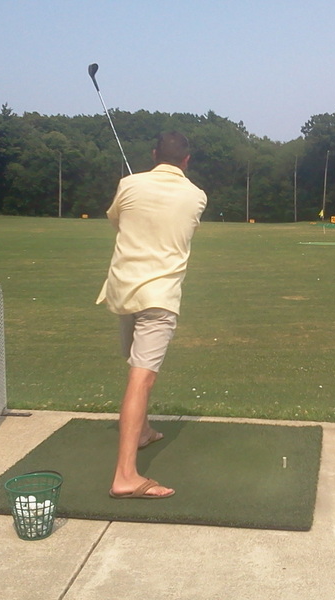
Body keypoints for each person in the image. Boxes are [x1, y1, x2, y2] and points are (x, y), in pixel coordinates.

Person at [97, 132, 207, 499]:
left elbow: (117, 221)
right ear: (186, 161)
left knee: (135, 367)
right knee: (141, 378)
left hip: (124, 291)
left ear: (154, 154)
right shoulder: (197, 196)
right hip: (159, 297)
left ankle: (142, 431)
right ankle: (125, 476)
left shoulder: (128, 184)